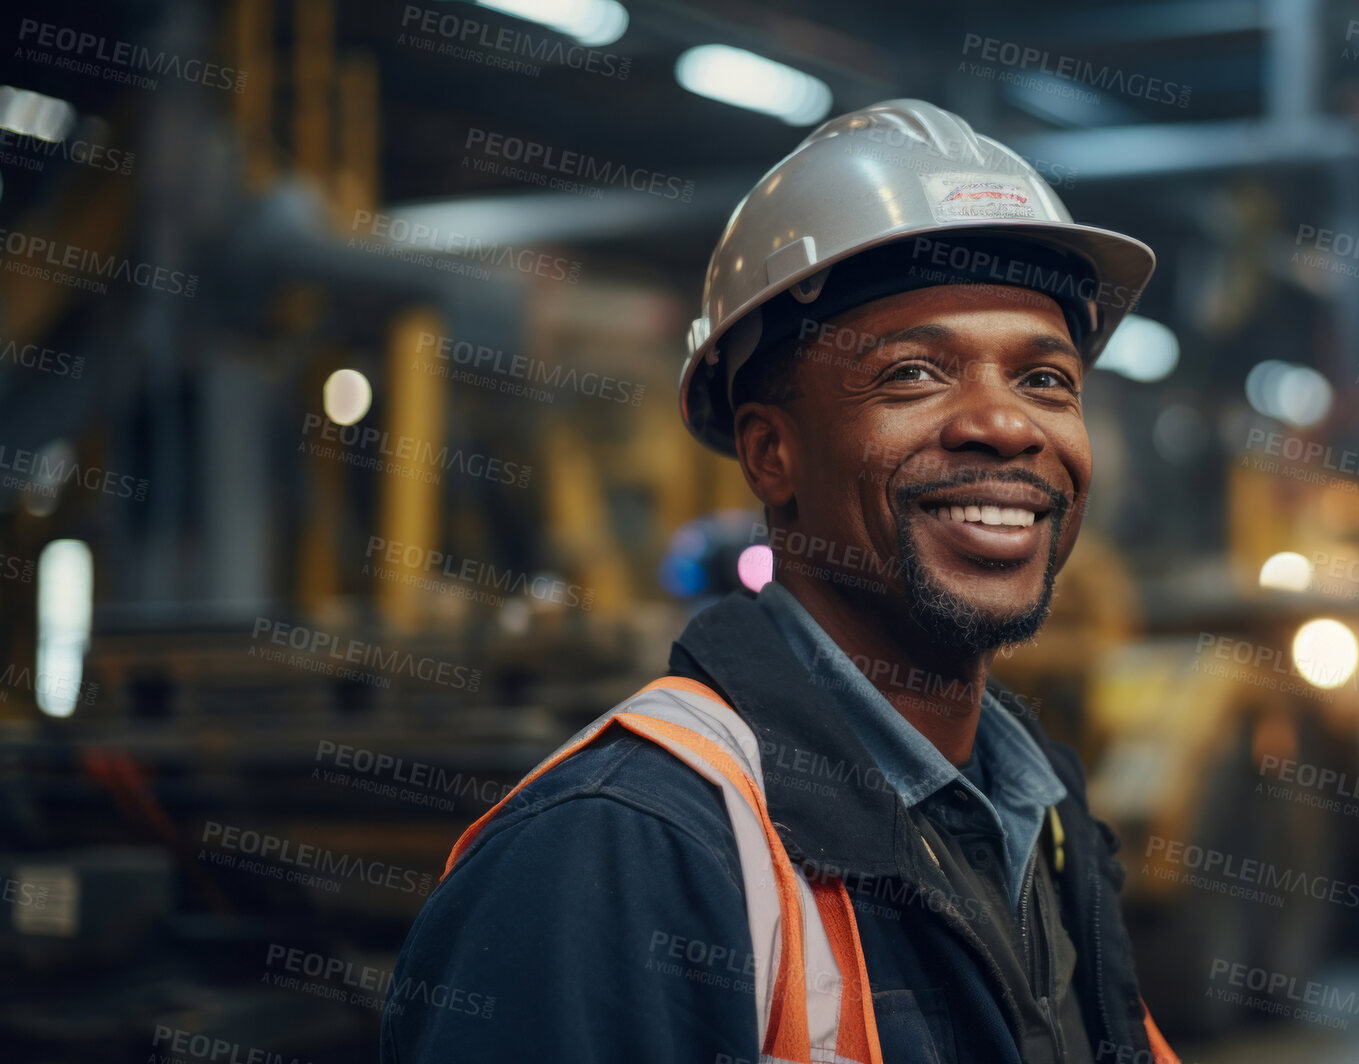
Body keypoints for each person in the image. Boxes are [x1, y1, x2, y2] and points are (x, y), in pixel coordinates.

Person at [382, 99, 1180, 1064]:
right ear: (771, 454)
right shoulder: (621, 855)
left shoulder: (1040, 823)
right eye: (916, 373)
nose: (1006, 426)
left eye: (1045, 380)